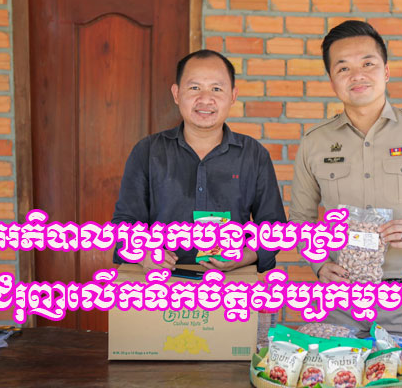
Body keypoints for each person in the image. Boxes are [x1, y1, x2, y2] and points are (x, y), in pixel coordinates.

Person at [289, 21, 402, 341]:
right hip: (341, 300)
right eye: (343, 68)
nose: (357, 75)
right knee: (335, 367)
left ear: (386, 71)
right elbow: (300, 219)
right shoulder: (315, 143)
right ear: (332, 81)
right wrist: (318, 265)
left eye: (368, 64)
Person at [112, 49, 286, 273]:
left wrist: (245, 256)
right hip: (161, 282)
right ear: (176, 94)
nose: (205, 99)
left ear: (233, 96)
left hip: (230, 282)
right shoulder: (147, 152)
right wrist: (144, 254)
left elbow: (273, 227)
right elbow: (124, 222)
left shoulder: (253, 154)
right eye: (194, 88)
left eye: (216, 89)